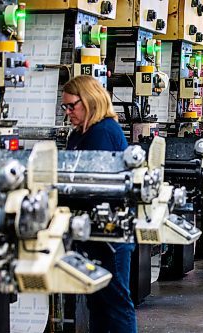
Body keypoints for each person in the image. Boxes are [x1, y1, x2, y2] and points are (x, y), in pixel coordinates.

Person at [62, 75, 137, 333]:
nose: (68, 112)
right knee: (98, 301)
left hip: (110, 232)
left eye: (72, 106)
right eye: (66, 107)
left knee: (115, 302)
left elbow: (93, 186)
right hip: (92, 230)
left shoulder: (102, 132)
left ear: (91, 101)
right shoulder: (81, 133)